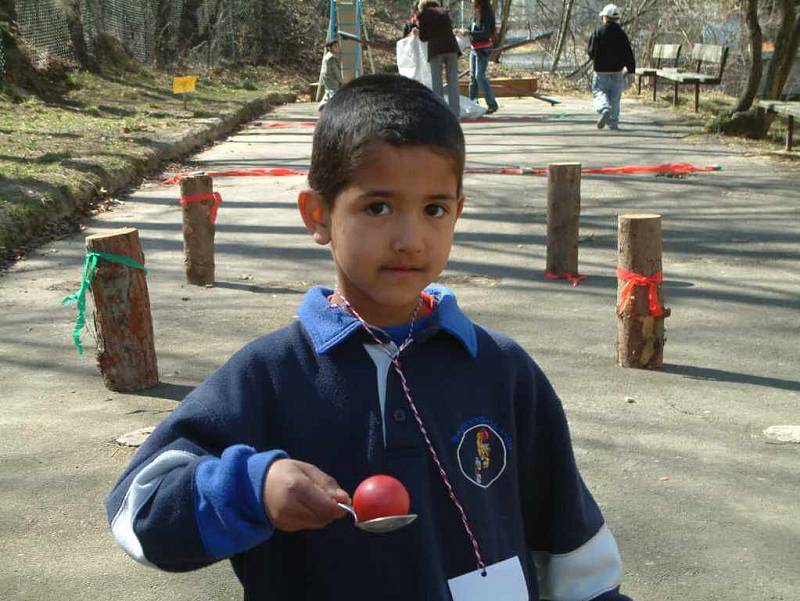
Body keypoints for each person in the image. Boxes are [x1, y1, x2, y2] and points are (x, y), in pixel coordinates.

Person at [105, 74, 633, 601]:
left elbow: (571, 548)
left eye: (434, 209)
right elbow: (139, 509)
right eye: (378, 207)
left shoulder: (503, 371)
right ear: (318, 215)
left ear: (458, 212)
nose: (409, 240)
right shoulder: (270, 375)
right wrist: (252, 489)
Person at [587, 4, 635, 130]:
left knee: (599, 92)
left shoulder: (598, 32)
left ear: (606, 18)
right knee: (615, 97)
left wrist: (595, 58)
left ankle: (604, 108)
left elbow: (591, 51)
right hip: (617, 72)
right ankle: (613, 122)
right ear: (617, 19)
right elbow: (628, 54)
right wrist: (631, 72)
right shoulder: (621, 34)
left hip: (601, 71)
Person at [416, 0, 461, 116]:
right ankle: (456, 113)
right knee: (453, 81)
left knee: (437, 82)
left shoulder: (423, 15)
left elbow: (423, 38)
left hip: (436, 50)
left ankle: (441, 113)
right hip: (452, 48)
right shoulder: (444, 12)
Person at [466, 0, 499, 114]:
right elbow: (472, 28)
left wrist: (470, 33)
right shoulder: (477, 13)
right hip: (474, 49)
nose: (472, 3)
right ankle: (473, 104)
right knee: (472, 79)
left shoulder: (487, 14)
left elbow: (486, 33)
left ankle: (492, 104)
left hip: (483, 49)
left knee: (479, 76)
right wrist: (465, 31)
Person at [318, 38, 343, 111]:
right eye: (335, 46)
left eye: (337, 46)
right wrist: (341, 80)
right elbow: (335, 71)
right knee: (333, 92)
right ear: (330, 48)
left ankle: (322, 105)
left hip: (327, 77)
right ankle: (334, 108)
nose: (337, 48)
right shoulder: (331, 58)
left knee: (328, 91)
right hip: (331, 78)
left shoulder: (329, 56)